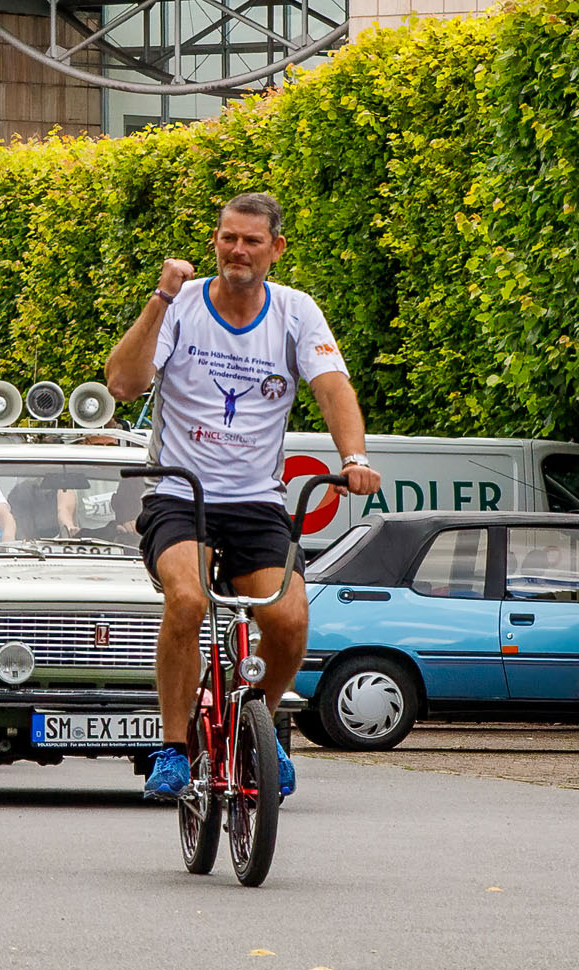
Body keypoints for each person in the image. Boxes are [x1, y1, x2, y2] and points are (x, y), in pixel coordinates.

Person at [104, 191, 381, 799]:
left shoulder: (296, 311)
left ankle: (257, 725)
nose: (238, 250)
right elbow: (123, 383)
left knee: (288, 619)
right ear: (215, 241)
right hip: (180, 491)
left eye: (252, 241)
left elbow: (334, 388)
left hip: (256, 499)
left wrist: (354, 458)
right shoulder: (180, 308)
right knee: (187, 600)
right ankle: (173, 747)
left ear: (275, 249)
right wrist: (160, 298)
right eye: (229, 237)